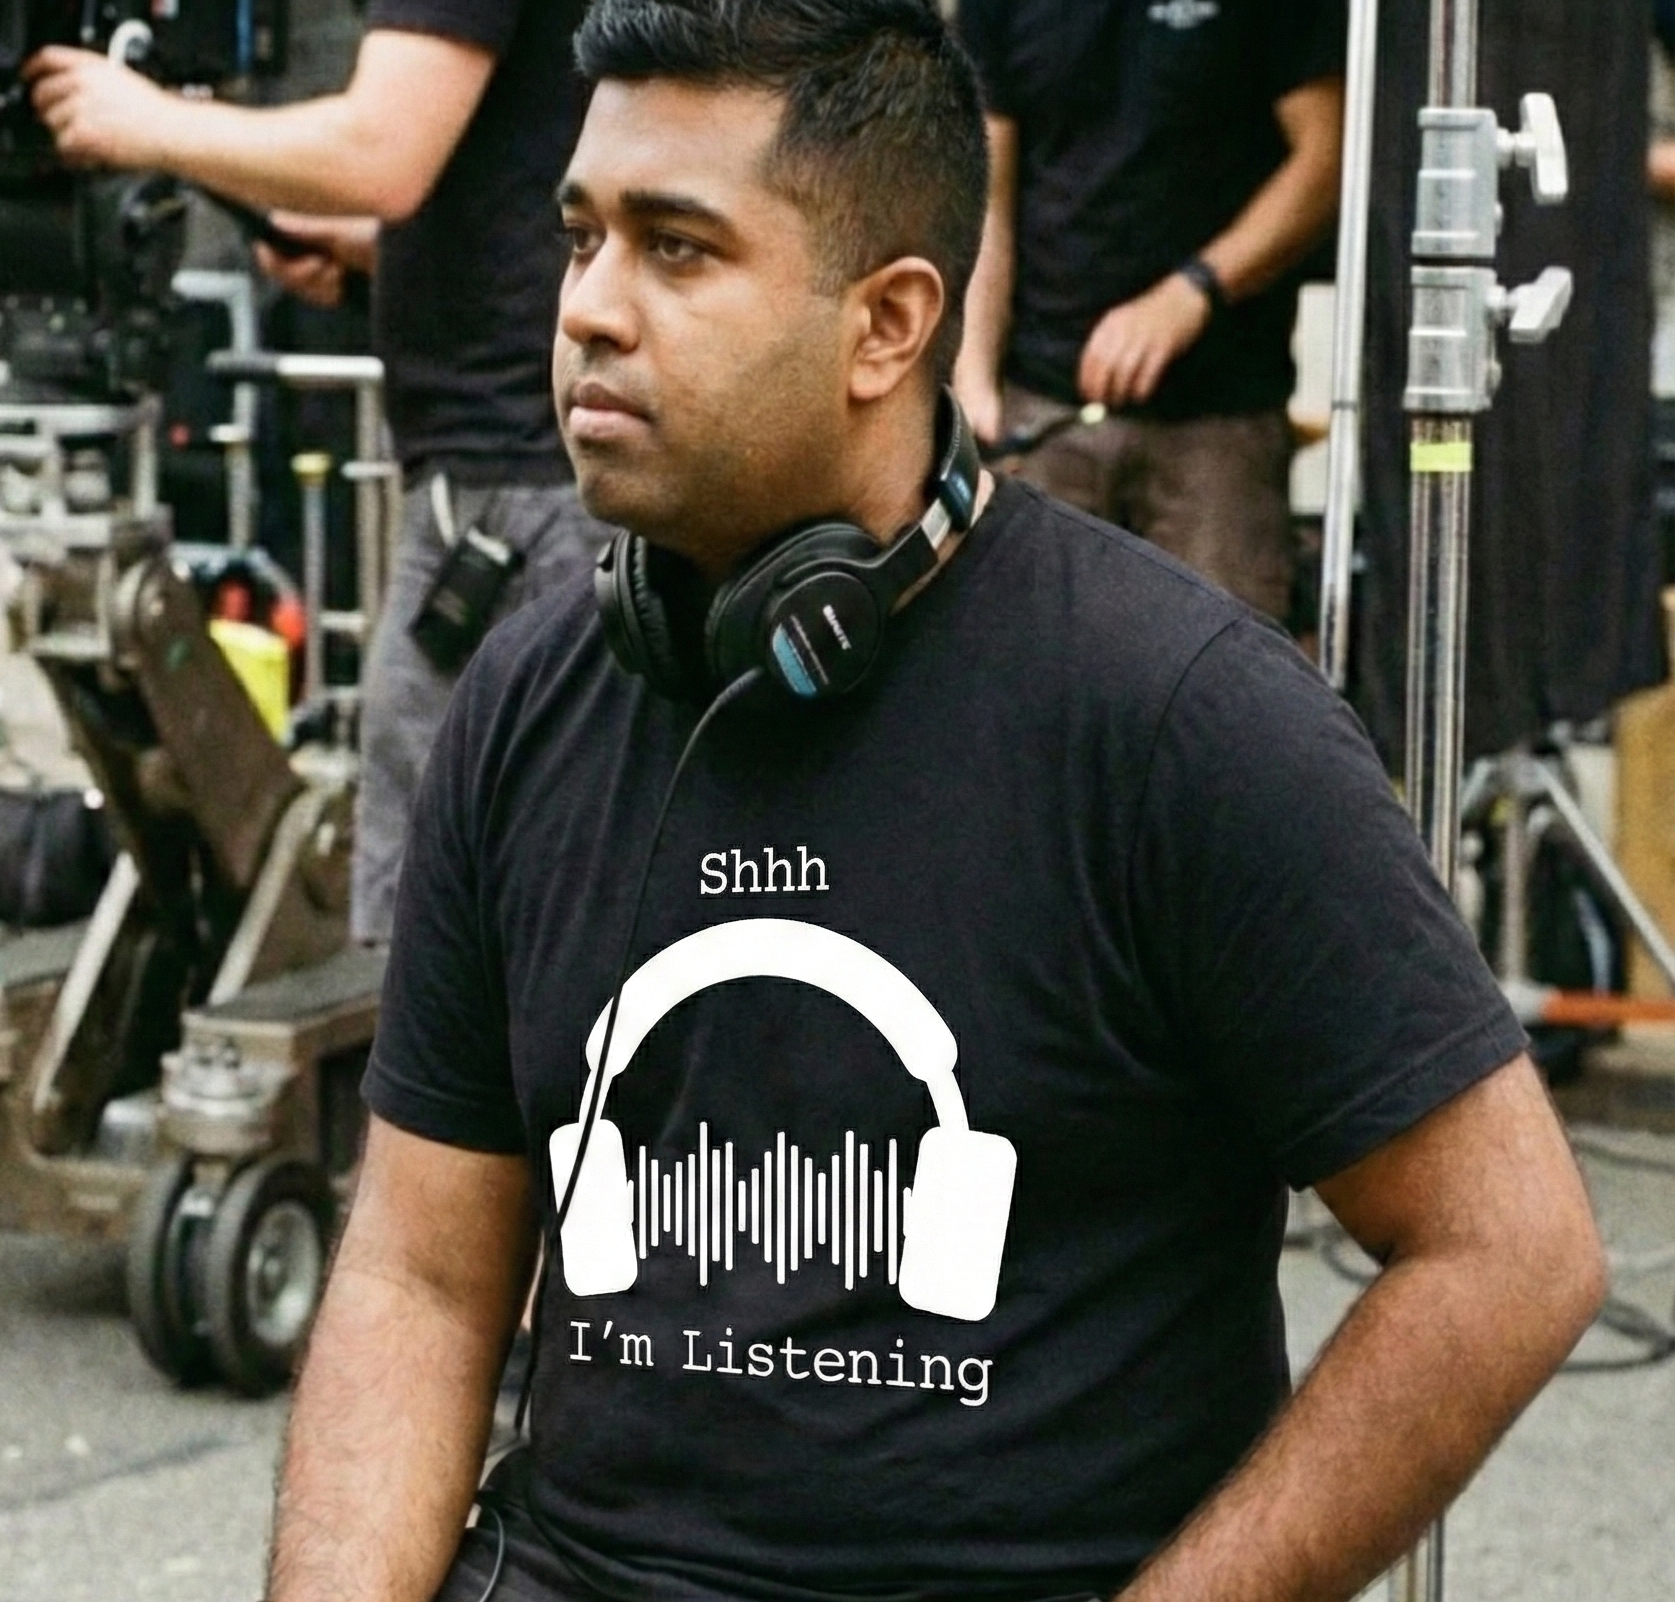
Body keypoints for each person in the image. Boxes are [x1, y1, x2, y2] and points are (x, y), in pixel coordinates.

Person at [268, 3, 1605, 1601]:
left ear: (891, 324)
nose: (590, 314)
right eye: (581, 240)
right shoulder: (529, 695)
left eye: (678, 250)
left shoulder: (1182, 718)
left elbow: (1509, 1251)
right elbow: (418, 1272)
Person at [24, 0, 613, 946]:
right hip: (525, 467)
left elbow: (382, 150)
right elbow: (526, 163)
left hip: (510, 491)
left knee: (435, 916)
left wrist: (138, 119)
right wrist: (374, 253)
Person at [952, 0, 1346, 621]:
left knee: (1224, 693)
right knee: (1031, 678)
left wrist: (1193, 291)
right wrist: (973, 380)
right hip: (1043, 411)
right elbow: (985, 188)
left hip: (1218, 421)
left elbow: (1327, 161)